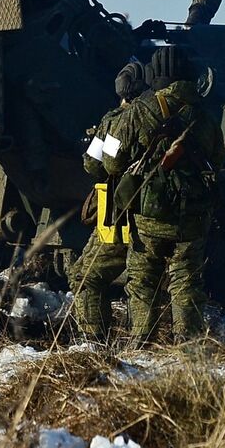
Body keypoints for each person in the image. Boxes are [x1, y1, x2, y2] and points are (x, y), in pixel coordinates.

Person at [97, 45, 224, 344]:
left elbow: (111, 161)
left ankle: (141, 344)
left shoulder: (137, 114)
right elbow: (217, 160)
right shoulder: (205, 117)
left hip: (148, 217)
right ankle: (189, 347)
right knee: (186, 281)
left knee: (142, 282)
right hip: (192, 217)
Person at [70, 60, 146, 341]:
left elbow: (95, 164)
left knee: (84, 276)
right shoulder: (165, 115)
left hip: (121, 214)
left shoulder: (115, 122)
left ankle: (94, 343)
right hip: (160, 214)